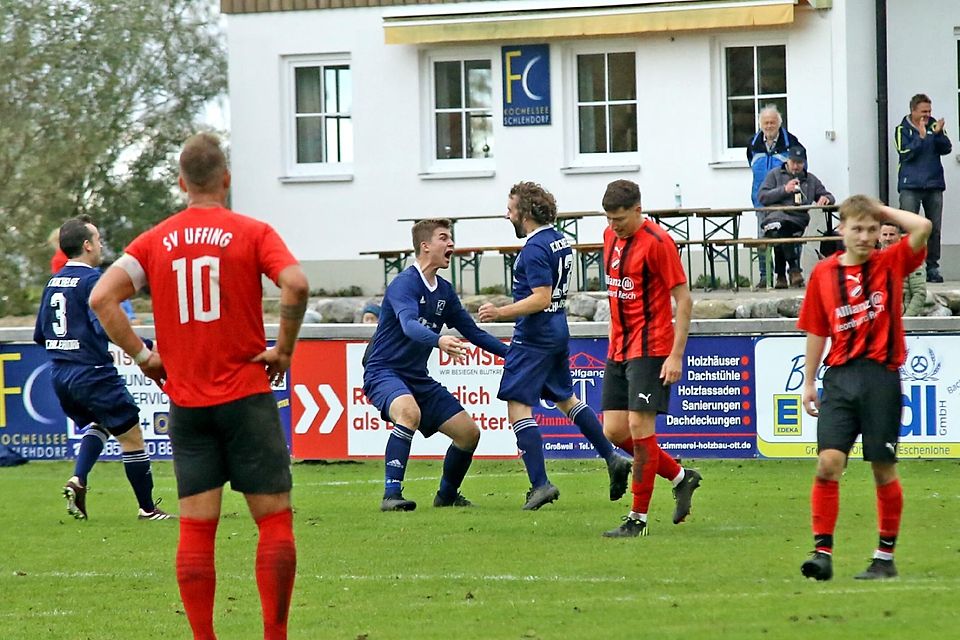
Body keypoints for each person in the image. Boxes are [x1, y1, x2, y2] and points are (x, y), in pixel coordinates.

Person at [90, 133, 309, 639]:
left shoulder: (153, 241)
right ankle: (275, 635)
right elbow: (295, 283)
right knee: (273, 523)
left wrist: (144, 357)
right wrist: (284, 349)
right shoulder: (251, 232)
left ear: (181, 182)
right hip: (248, 398)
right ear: (226, 180)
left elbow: (103, 297)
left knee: (196, 529)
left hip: (188, 404)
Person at [797, 195, 931, 581]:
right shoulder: (823, 274)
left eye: (872, 229)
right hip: (839, 378)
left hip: (881, 378)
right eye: (857, 228)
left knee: (883, 469)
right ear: (841, 229)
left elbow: (922, 227)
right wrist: (808, 382)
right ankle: (822, 552)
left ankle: (884, 558)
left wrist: (879, 209)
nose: (866, 236)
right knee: (828, 464)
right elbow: (816, 328)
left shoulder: (890, 262)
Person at [477, 182, 631, 510]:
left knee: (518, 406)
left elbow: (540, 297)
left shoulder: (534, 249)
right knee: (565, 398)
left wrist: (499, 312)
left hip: (534, 335)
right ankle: (612, 457)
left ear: (526, 212)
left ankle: (540, 484)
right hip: (558, 327)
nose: (507, 214)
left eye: (511, 207)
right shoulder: (560, 239)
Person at [34, 215, 174, 522]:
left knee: (103, 423)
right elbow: (107, 327)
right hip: (93, 372)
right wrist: (145, 346)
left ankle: (78, 479)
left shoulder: (53, 282)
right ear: (86, 245)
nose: (101, 245)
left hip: (60, 374)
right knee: (132, 436)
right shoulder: (92, 281)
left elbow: (40, 336)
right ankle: (148, 509)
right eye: (98, 240)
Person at [363, 219, 509, 512]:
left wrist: (514, 355)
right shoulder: (404, 284)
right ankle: (391, 494)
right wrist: (439, 341)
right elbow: (408, 325)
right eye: (444, 238)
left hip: (417, 377)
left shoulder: (443, 290)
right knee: (408, 412)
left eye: (451, 238)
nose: (451, 244)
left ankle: (447, 495)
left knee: (469, 433)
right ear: (425, 246)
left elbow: (474, 333)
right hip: (383, 371)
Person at [598, 179, 702, 538]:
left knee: (641, 429)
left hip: (652, 348)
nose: (614, 226)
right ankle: (680, 476)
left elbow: (684, 300)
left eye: (621, 219)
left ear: (638, 210)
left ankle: (637, 520)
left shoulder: (658, 243)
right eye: (610, 219)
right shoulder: (609, 238)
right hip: (619, 349)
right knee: (614, 430)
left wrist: (675, 355)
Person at [757, 146, 835, 289]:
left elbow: (829, 196)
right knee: (780, 229)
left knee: (778, 231)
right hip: (775, 216)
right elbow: (762, 196)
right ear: (787, 160)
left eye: (799, 163)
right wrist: (784, 190)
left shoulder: (810, 179)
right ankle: (793, 270)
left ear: (804, 163)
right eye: (793, 162)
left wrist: (825, 198)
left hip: (797, 220)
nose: (796, 166)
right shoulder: (774, 175)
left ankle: (781, 275)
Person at [895, 93, 952, 283]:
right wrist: (920, 137)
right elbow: (905, 153)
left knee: (934, 228)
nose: (927, 115)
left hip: (934, 184)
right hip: (910, 185)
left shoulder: (934, 126)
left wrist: (936, 135)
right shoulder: (902, 129)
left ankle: (932, 267)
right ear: (913, 111)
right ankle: (908, 267)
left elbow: (947, 148)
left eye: (929, 111)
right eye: (923, 112)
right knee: (908, 228)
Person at [747, 105, 803, 288]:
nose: (769, 126)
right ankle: (765, 277)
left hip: (786, 202)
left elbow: (801, 168)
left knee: (789, 236)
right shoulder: (753, 143)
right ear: (760, 124)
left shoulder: (791, 142)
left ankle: (791, 273)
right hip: (761, 200)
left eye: (772, 122)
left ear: (779, 123)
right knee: (763, 238)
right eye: (765, 122)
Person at [880, 222, 926, 316]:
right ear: (879, 237)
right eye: (885, 235)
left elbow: (919, 294)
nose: (888, 238)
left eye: (892, 234)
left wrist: (907, 319)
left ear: (899, 237)